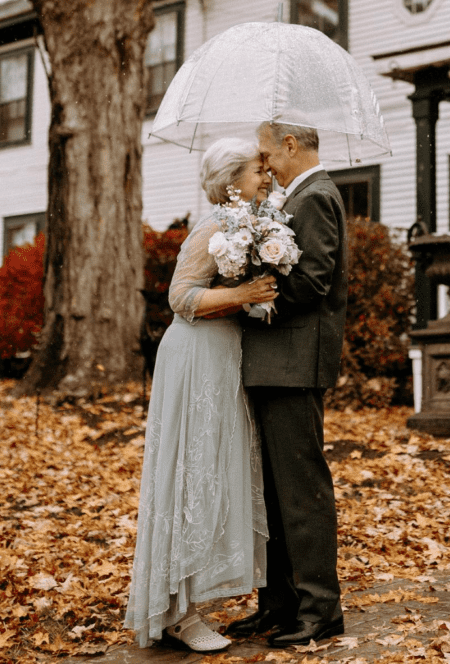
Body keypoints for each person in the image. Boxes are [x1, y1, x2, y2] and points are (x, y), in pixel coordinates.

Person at [124, 137, 278, 653]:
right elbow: (180, 297)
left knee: (213, 472)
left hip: (224, 356)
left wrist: (256, 303)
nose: (267, 175)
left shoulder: (246, 227)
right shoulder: (214, 227)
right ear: (233, 180)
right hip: (194, 359)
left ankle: (190, 600)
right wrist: (242, 295)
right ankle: (178, 613)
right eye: (259, 169)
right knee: (191, 472)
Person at [227, 122, 347, 648]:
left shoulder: (316, 196)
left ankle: (321, 609)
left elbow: (313, 281)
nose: (265, 162)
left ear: (291, 146)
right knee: (272, 493)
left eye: (266, 152)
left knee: (301, 491)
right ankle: (277, 604)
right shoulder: (293, 197)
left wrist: (249, 296)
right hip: (276, 362)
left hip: (296, 363)